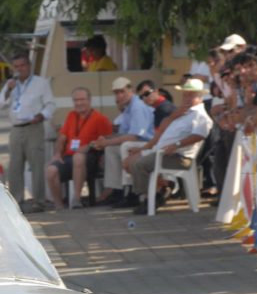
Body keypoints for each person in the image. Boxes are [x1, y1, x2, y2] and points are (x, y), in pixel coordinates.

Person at [124, 78, 213, 215]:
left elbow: (199, 136)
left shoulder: (201, 116)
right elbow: (162, 129)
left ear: (200, 96)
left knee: (138, 164)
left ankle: (149, 199)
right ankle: (159, 191)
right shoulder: (183, 112)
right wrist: (173, 117)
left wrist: (176, 144)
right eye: (185, 94)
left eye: (191, 95)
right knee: (132, 162)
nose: (187, 98)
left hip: (179, 156)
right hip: (164, 152)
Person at [0, 53, 55, 212]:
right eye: (16, 67)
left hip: (34, 126)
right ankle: (17, 201)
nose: (19, 69)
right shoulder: (12, 84)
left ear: (29, 66)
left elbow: (50, 104)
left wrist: (42, 115)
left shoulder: (40, 83)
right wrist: (8, 90)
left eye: (22, 66)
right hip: (16, 128)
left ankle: (39, 201)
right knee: (15, 165)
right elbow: (1, 104)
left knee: (36, 164)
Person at [45, 87, 113, 210]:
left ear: (90, 100)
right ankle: (59, 205)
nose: (79, 103)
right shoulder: (71, 115)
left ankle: (76, 199)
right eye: (76, 100)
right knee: (50, 170)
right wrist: (57, 154)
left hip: (90, 158)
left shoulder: (100, 119)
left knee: (78, 157)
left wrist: (88, 146)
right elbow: (61, 138)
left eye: (82, 99)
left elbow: (107, 140)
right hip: (69, 156)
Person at [92, 77, 156, 206]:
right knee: (112, 148)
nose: (119, 95)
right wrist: (105, 140)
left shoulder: (137, 107)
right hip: (139, 142)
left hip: (147, 144)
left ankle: (132, 193)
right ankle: (117, 190)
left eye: (122, 91)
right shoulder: (129, 107)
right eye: (116, 93)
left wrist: (107, 142)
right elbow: (123, 133)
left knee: (123, 147)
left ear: (130, 90)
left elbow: (134, 136)